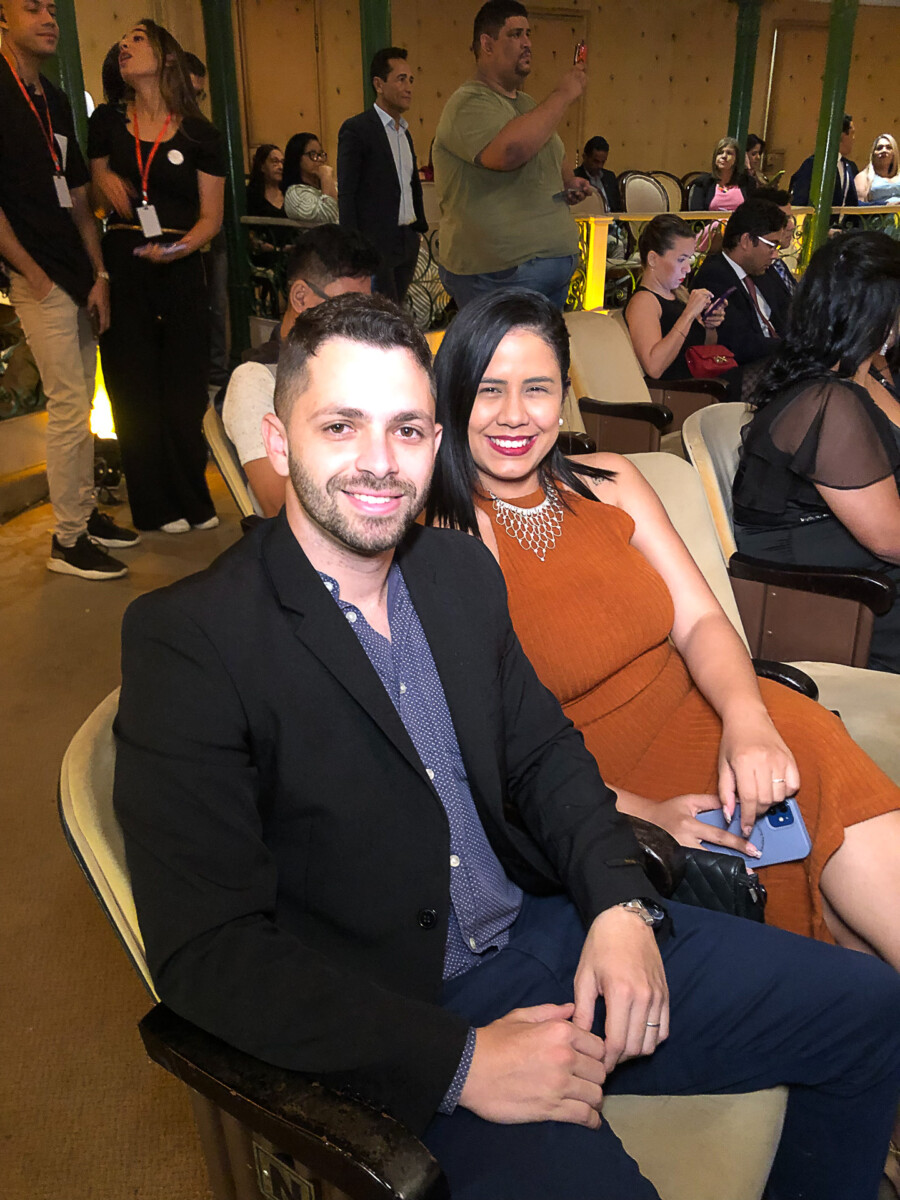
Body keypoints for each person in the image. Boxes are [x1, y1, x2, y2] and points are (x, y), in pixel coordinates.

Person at [114, 291, 900, 1200]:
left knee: (872, 1011)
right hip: (402, 1011)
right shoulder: (190, 638)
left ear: (434, 441)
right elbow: (207, 953)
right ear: (279, 441)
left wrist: (619, 905)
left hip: (544, 923)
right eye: (340, 426)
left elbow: (545, 757)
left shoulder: (456, 573)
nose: (380, 462)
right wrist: (461, 1063)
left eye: (407, 429)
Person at [427, 285, 900, 958]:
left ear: (563, 395)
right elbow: (489, 744)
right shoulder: (441, 535)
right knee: (833, 926)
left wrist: (748, 721)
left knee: (839, 827)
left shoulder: (612, 480)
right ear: (452, 397)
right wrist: (638, 813)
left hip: (713, 713)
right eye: (488, 390)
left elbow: (701, 620)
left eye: (536, 388)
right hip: (596, 782)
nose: (514, 415)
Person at [0, 0, 138, 580]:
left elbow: (79, 194)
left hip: (77, 274)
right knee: (65, 407)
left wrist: (98, 274)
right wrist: (30, 272)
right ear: (2, 18)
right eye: (32, 7)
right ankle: (67, 539)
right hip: (38, 277)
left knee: (79, 404)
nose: (48, 18)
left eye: (52, 8)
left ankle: (84, 515)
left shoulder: (54, 99)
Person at [733, 231, 900, 676]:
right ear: (880, 315)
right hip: (833, 606)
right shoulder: (829, 402)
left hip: (858, 583)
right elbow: (891, 538)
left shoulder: (858, 377)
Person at [88, 20, 225, 535]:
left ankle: (192, 496)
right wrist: (102, 177)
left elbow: (211, 217)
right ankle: (154, 505)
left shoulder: (200, 133)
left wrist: (177, 250)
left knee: (184, 388)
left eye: (138, 38)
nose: (124, 45)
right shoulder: (106, 122)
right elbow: (90, 197)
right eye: (122, 39)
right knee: (133, 386)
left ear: (167, 56)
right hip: (124, 259)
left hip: (181, 262)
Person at [432, 0, 589, 310]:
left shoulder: (528, 104)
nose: (527, 43)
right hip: (499, 273)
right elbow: (509, 153)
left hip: (547, 268)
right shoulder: (468, 103)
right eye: (516, 34)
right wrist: (563, 94)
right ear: (487, 44)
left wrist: (569, 183)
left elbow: (551, 157)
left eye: (528, 34)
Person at [222, 224, 377, 515]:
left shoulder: (352, 365)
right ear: (301, 297)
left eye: (365, 311)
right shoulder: (257, 380)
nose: (358, 324)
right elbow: (278, 506)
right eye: (346, 309)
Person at [337, 47, 427, 303]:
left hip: (406, 239)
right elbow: (347, 193)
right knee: (381, 314)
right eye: (401, 79)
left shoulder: (404, 133)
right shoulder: (357, 129)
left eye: (411, 80)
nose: (408, 87)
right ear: (379, 84)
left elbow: (410, 184)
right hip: (374, 243)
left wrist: (417, 230)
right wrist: (353, 248)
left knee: (397, 308)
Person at [690, 199, 791, 370]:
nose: (775, 255)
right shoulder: (713, 276)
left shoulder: (762, 269)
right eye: (772, 246)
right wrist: (792, 348)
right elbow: (739, 344)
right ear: (746, 241)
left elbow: (788, 311)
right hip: (747, 368)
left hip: (779, 360)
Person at [624, 215, 726, 380]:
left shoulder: (679, 293)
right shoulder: (644, 301)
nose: (688, 269)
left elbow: (704, 348)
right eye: (681, 260)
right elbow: (654, 367)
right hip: (676, 389)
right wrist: (689, 314)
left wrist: (710, 325)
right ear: (653, 259)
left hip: (699, 382)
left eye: (689, 259)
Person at [790, 113, 858, 207]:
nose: (854, 139)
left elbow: (852, 203)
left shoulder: (848, 166)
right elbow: (799, 200)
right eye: (852, 133)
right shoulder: (813, 164)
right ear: (842, 135)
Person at [282, 131, 338, 224]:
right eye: (313, 154)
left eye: (321, 154)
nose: (320, 159)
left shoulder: (331, 186)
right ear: (297, 158)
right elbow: (328, 219)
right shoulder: (295, 193)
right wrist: (326, 177)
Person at [688, 136, 754, 211]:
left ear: (736, 159)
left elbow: (753, 211)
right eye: (720, 153)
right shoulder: (702, 183)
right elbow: (696, 215)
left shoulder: (748, 182)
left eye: (729, 153)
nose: (724, 156)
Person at [574, 135, 621, 212]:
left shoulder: (610, 177)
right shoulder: (575, 178)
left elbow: (618, 209)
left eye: (603, 162)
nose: (600, 166)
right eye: (596, 161)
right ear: (585, 157)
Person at [855, 133, 900, 206]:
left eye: (889, 147)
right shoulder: (864, 177)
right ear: (873, 154)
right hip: (879, 213)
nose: (884, 150)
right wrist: (886, 205)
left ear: (894, 153)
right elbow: (859, 205)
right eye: (879, 148)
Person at [245, 143, 285, 218]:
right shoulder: (250, 196)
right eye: (275, 161)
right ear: (262, 166)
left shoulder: (289, 194)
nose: (281, 167)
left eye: (282, 162)